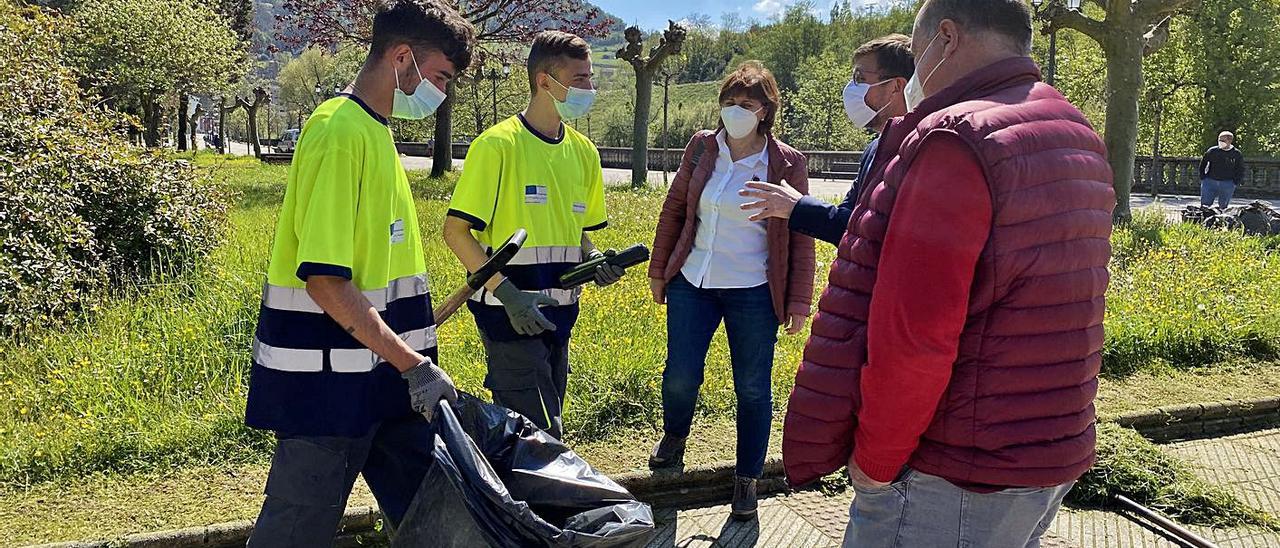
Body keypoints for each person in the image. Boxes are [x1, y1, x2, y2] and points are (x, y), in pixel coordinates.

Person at [781, 0, 1115, 546]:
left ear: (946, 38)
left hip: (954, 466)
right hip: (1048, 440)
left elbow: (916, 334)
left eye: (917, 52)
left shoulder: (958, 139)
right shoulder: (1073, 129)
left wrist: (876, 460)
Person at [243, 1, 474, 546]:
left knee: (439, 516)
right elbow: (324, 279)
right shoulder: (340, 133)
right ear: (401, 58)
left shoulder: (374, 132)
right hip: (330, 386)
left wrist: (409, 368)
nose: (442, 93)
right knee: (295, 531)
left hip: (385, 382)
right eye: (440, 76)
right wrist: (413, 365)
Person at [647, 61, 816, 521]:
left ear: (765, 110)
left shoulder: (787, 163)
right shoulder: (703, 148)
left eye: (746, 104)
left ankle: (747, 478)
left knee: (753, 388)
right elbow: (676, 208)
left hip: (754, 291)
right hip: (694, 282)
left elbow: (799, 234)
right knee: (680, 374)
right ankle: (675, 435)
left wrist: (799, 300)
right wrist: (659, 270)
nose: (735, 110)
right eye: (728, 102)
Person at [443, 31, 619, 441]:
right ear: (544, 81)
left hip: (560, 319)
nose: (589, 89)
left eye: (590, 78)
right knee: (537, 437)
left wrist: (596, 263)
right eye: (580, 80)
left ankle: (522, 504)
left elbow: (579, 239)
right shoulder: (496, 146)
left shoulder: (584, 153)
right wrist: (507, 294)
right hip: (508, 319)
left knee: (544, 438)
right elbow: (455, 232)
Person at [739, 35, 914, 245]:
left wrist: (798, 206)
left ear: (896, 86)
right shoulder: (875, 148)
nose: (851, 87)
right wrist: (797, 207)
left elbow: (879, 237)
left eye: (860, 78)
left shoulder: (916, 153)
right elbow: (847, 226)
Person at [1200, 130, 1244, 209]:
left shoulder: (1236, 154)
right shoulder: (1212, 151)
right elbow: (1203, 164)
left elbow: (1240, 168)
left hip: (1227, 183)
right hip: (1210, 181)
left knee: (1223, 207)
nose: (1220, 142)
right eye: (1219, 140)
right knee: (1205, 206)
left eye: (1223, 140)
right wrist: (1203, 177)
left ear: (1230, 141)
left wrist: (1235, 182)